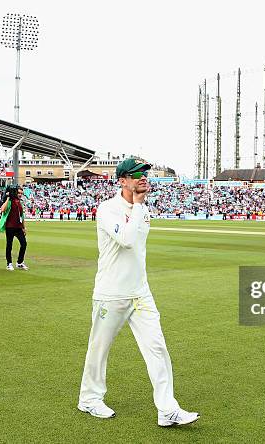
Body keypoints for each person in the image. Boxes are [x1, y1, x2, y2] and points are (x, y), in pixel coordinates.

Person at [78, 158, 199, 427]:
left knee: (157, 347)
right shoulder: (107, 209)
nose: (143, 178)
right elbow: (127, 240)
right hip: (111, 292)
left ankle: (167, 410)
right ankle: (89, 399)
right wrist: (138, 205)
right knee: (99, 349)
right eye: (136, 175)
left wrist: (138, 206)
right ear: (122, 180)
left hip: (140, 292)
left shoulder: (142, 209)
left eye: (145, 174)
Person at [0, 186, 28, 271]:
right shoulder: (10, 201)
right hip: (10, 226)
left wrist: (23, 227)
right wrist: (7, 198)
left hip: (18, 227)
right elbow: (2, 209)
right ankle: (9, 263)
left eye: (21, 194)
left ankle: (19, 262)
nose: (20, 195)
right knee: (9, 245)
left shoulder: (19, 202)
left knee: (24, 244)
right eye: (19, 193)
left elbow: (21, 216)